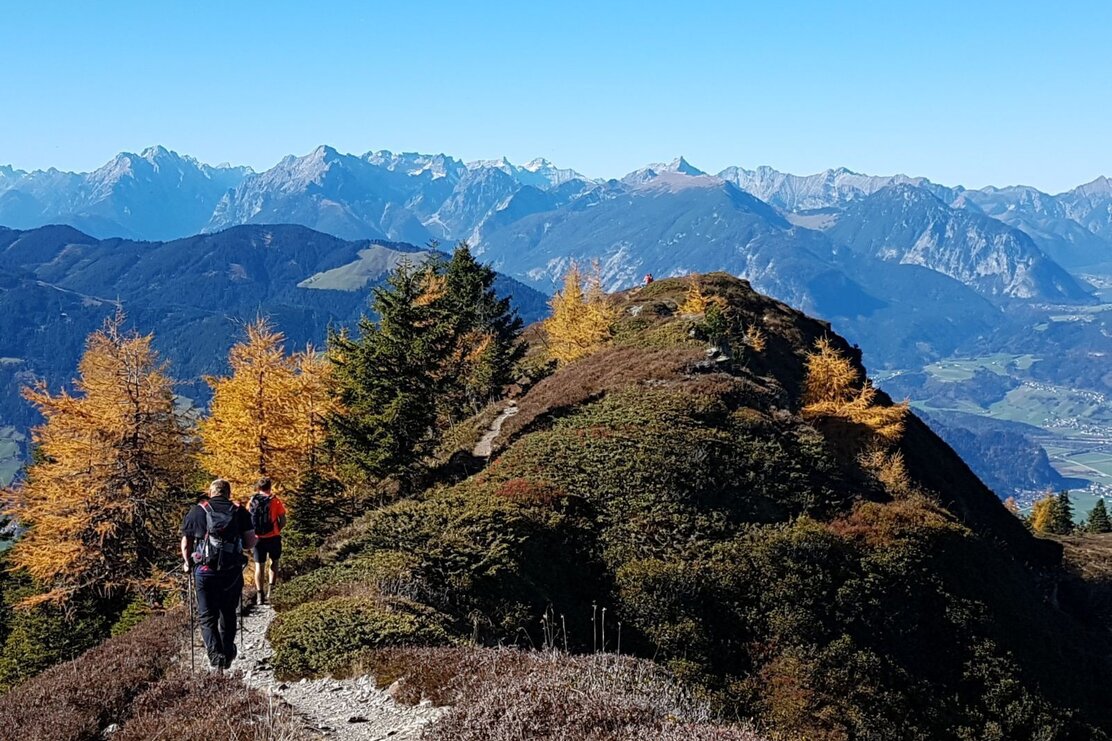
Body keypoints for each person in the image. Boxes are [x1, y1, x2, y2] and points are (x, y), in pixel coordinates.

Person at [180, 479, 256, 672]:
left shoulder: (198, 511)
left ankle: (215, 656)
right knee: (228, 613)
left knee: (207, 616)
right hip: (231, 572)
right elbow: (249, 543)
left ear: (211, 492)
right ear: (228, 493)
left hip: (205, 572)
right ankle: (228, 651)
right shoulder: (239, 512)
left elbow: (186, 543)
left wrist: (188, 563)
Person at [248, 477, 286, 606]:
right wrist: (277, 530)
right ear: (270, 487)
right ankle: (271, 591)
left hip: (258, 539)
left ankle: (260, 595)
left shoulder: (252, 500)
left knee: (259, 566)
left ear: (258, 488)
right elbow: (283, 519)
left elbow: (249, 519)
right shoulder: (275, 501)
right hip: (273, 537)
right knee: (274, 562)